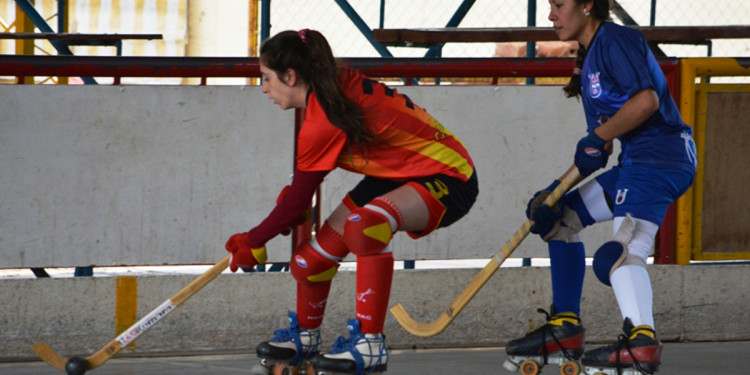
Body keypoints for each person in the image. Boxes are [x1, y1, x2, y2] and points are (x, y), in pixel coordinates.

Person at [225, 29, 478, 375]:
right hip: (395, 175)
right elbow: (298, 201)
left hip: (449, 175)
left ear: (291, 76)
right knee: (309, 263)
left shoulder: (322, 118)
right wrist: (290, 210)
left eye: (266, 79)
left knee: (365, 227)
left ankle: (371, 345)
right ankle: (305, 336)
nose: (264, 89)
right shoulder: (329, 90)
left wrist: (252, 241)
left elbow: (296, 201)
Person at [503, 1, 696, 375]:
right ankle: (565, 330)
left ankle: (641, 341)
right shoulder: (591, 56)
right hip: (633, 162)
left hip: (661, 157)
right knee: (560, 219)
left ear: (588, 5)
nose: (551, 15)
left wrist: (598, 137)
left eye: (558, 5)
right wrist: (554, 190)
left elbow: (646, 101)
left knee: (620, 253)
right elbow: (597, 150)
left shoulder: (615, 40)